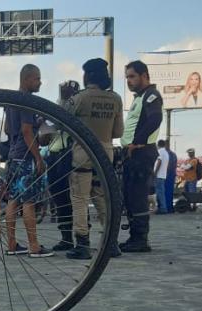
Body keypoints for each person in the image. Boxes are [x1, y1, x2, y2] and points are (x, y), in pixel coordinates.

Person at [66, 58, 123, 260]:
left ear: (87, 76)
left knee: (79, 198)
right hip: (106, 151)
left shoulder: (80, 98)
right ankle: (111, 242)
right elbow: (118, 131)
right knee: (101, 196)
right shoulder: (115, 99)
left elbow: (62, 121)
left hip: (83, 152)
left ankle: (82, 243)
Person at [2, 64, 52, 258]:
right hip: (26, 155)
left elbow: (7, 129)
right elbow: (26, 130)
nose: (40, 82)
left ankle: (12, 244)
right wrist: (38, 157)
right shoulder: (27, 100)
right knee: (29, 201)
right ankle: (34, 246)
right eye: (37, 78)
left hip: (13, 155)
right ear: (27, 79)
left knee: (13, 201)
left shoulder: (11, 101)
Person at [119, 60, 163, 252]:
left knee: (137, 196)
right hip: (132, 153)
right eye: (127, 77)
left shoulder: (151, 95)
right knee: (130, 195)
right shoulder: (139, 97)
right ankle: (134, 237)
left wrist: (137, 142)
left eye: (132, 76)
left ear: (144, 75)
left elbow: (155, 118)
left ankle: (140, 239)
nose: (129, 81)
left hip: (141, 152)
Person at [45, 80, 78, 251]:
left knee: (75, 199)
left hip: (68, 155)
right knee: (59, 199)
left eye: (67, 90)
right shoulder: (57, 106)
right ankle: (66, 238)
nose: (64, 91)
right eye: (62, 89)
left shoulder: (75, 106)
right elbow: (45, 132)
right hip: (53, 155)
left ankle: (80, 237)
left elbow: (59, 123)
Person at [153, 140, 169, 214]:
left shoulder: (160, 152)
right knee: (161, 192)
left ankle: (162, 208)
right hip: (163, 175)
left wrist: (155, 172)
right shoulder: (166, 153)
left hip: (159, 175)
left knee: (159, 193)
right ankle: (162, 207)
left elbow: (159, 162)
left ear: (158, 145)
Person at [164, 146, 178, 214]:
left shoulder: (169, 154)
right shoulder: (173, 154)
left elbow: (169, 166)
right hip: (171, 175)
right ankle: (169, 207)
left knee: (167, 192)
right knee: (169, 192)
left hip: (168, 175)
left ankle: (168, 208)